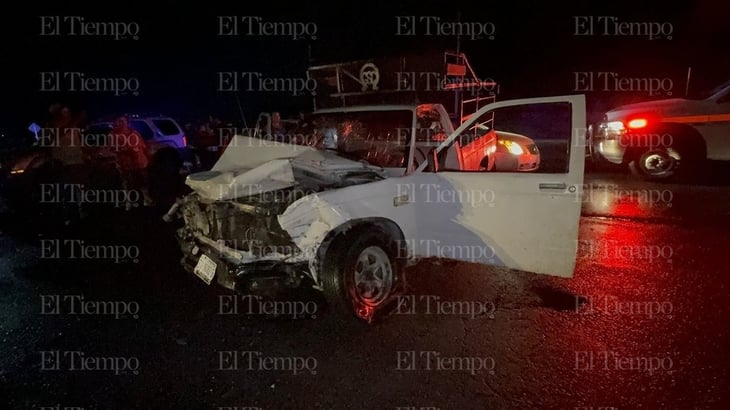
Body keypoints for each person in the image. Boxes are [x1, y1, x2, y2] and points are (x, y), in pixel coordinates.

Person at [109, 115, 152, 210]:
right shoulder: (113, 135)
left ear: (127, 122)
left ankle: (146, 200)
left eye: (123, 121)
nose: (121, 123)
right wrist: (124, 150)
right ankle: (129, 202)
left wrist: (148, 157)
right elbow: (112, 148)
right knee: (126, 183)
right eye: (119, 121)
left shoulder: (135, 133)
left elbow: (143, 147)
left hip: (139, 162)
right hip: (124, 163)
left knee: (143, 181)